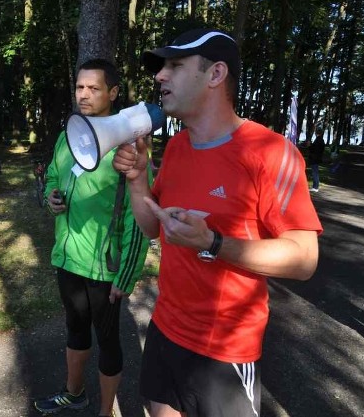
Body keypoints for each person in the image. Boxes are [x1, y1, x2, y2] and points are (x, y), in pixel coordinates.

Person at [113, 28, 322, 417]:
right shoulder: (176, 147)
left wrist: (212, 242)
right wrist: (138, 179)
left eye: (175, 65)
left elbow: (304, 259)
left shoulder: (271, 151)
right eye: (162, 67)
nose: (160, 76)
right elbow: (150, 227)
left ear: (215, 74)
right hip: (165, 329)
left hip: (225, 351)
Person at [33, 59, 151, 417]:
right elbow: (54, 176)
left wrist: (127, 275)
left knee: (109, 340)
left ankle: (105, 412)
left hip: (105, 269)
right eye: (80, 87)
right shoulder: (66, 134)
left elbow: (139, 217)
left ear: (113, 93)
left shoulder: (129, 147)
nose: (84, 95)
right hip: (67, 258)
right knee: (74, 328)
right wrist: (50, 197)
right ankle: (74, 393)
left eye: (94, 88)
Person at [307, 127, 325, 192]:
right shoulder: (321, 140)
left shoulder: (318, 140)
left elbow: (314, 150)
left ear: (316, 133)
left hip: (315, 158)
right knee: (315, 172)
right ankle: (315, 186)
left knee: (315, 173)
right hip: (317, 158)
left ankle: (315, 187)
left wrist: (309, 146)